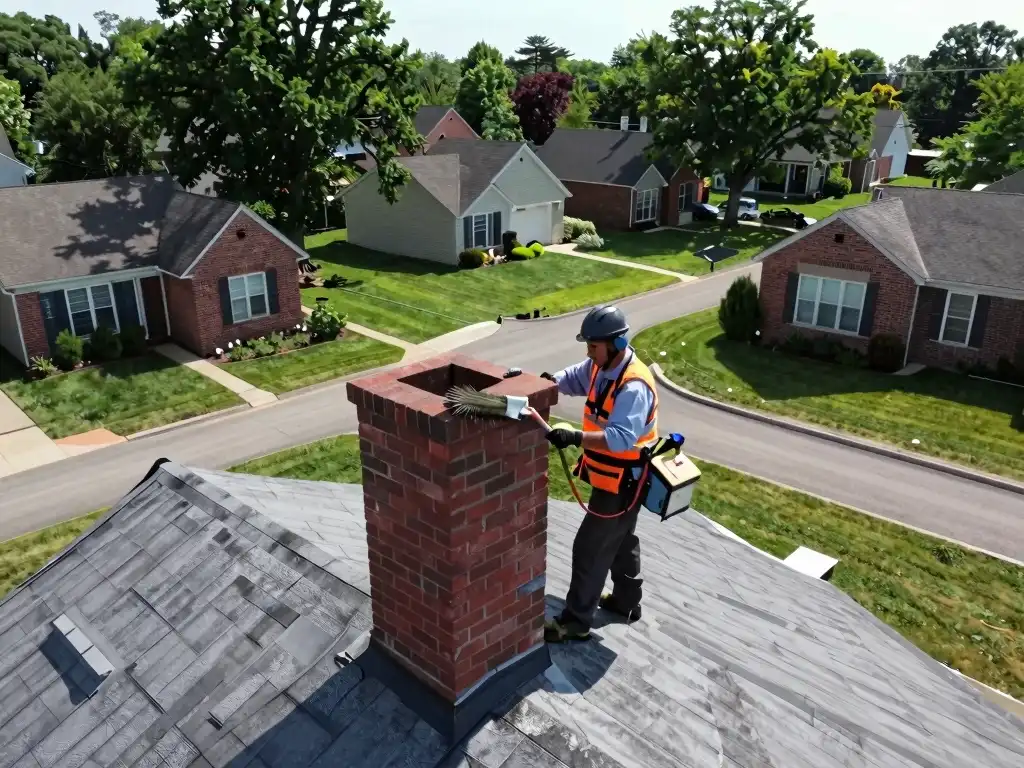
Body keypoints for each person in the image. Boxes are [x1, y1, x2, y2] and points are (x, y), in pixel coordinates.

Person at [540, 305, 659, 643]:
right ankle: (625, 602)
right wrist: (547, 383)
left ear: (616, 344)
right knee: (621, 540)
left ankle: (576, 621)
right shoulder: (601, 365)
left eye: (593, 346)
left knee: (590, 547)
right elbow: (574, 378)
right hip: (614, 479)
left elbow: (620, 439)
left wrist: (574, 436)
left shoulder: (634, 386)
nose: (588, 352)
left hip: (624, 483)